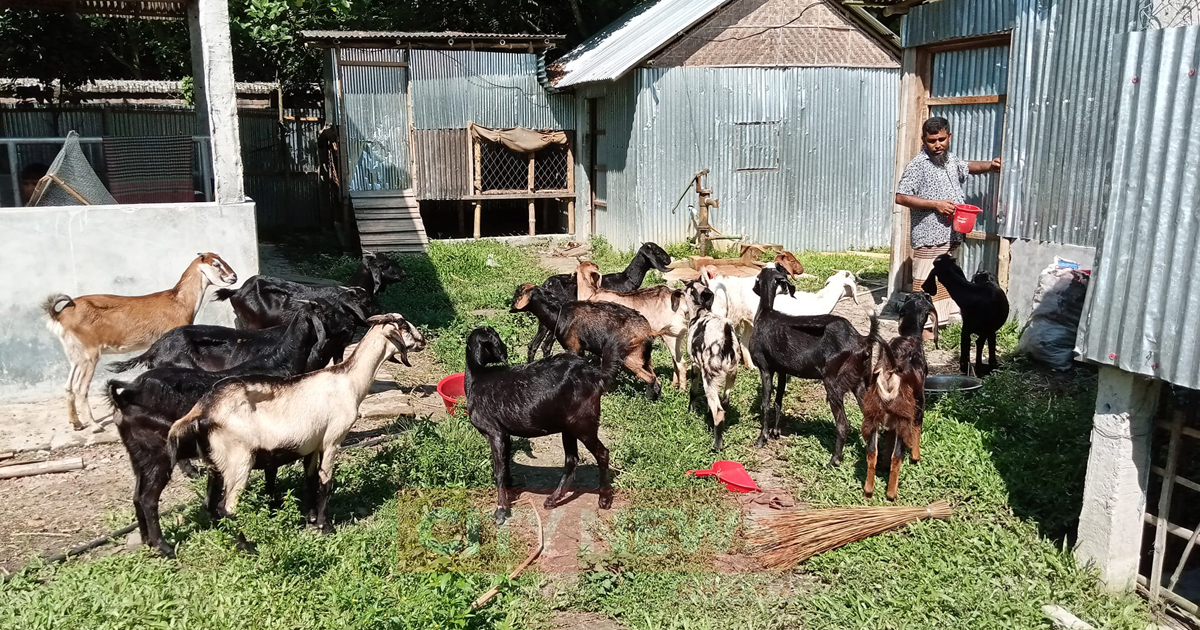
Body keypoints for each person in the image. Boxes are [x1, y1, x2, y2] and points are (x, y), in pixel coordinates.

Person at [895, 117, 1000, 337]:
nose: (937, 144)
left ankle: (941, 322)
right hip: (929, 234)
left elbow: (967, 167)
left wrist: (990, 166)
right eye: (932, 140)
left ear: (949, 137)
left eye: (942, 139)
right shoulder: (918, 165)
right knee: (926, 281)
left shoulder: (950, 160)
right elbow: (901, 197)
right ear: (924, 140)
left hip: (951, 232)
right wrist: (936, 204)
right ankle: (921, 328)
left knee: (948, 279)